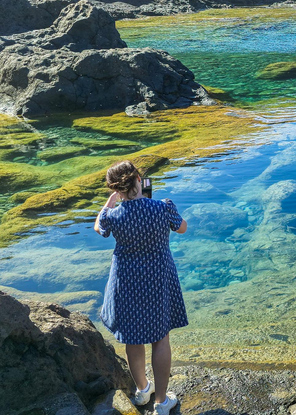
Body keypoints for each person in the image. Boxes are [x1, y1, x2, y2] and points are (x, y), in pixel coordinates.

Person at [94, 160, 188, 415]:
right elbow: (182, 228)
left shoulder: (113, 215)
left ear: (116, 188)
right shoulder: (161, 207)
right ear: (138, 178)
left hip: (126, 282)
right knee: (160, 338)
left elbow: (99, 227)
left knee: (132, 338)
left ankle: (142, 389)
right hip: (158, 279)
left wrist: (109, 203)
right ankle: (161, 402)